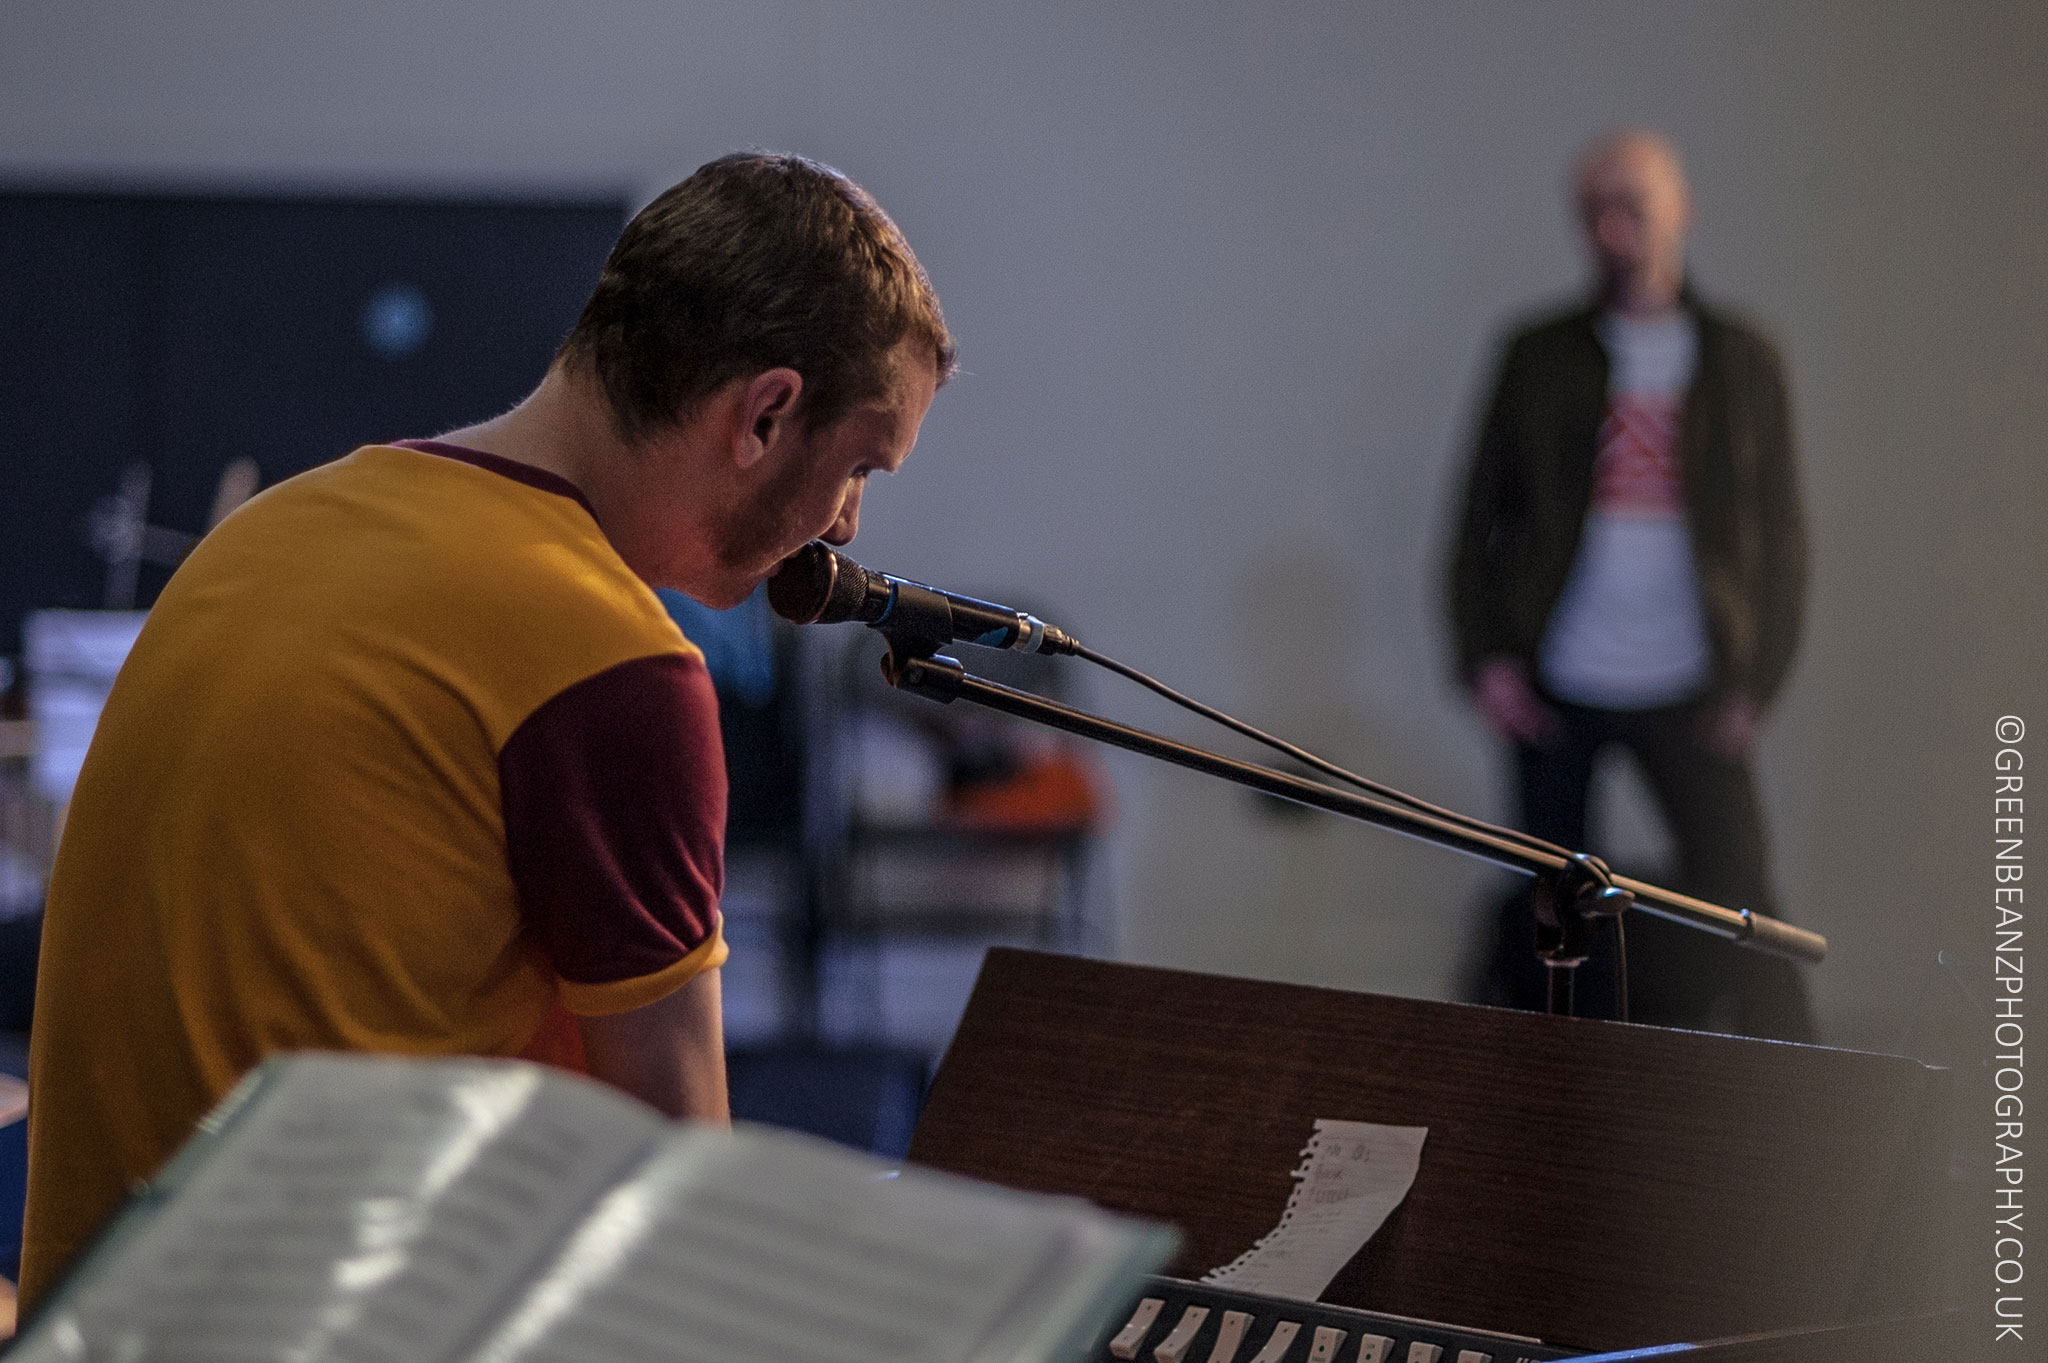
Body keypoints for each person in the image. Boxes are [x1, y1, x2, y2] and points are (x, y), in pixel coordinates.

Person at [19, 152, 953, 1305]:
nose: (846, 526)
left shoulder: (273, 531)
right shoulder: (606, 660)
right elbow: (675, 1204)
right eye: (860, 465)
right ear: (764, 412)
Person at [1448, 130, 1813, 1039]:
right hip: (1560, 677)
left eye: (1634, 205)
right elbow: (1476, 517)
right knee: (1551, 906)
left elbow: (1783, 536)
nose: (1616, 228)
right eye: (1596, 210)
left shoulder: (1740, 360)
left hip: (1692, 677)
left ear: (1677, 208)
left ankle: (1801, 1100)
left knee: (1742, 893)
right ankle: (1553, 1102)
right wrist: (1485, 658)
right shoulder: (1537, 355)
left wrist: (1756, 680)